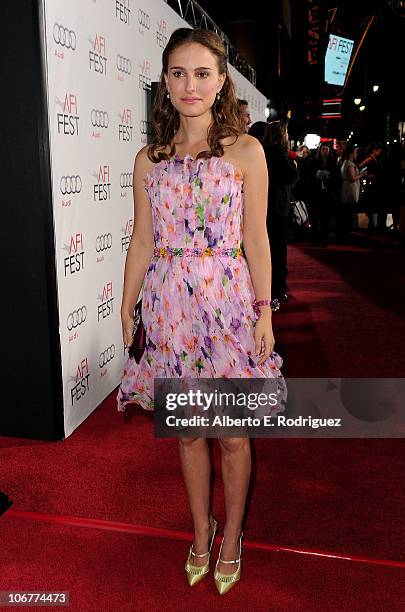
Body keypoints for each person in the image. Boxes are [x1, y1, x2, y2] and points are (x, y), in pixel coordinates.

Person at [116, 28, 285, 595]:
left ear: (220, 82)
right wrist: (126, 301)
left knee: (232, 433)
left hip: (228, 305)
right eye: (179, 74)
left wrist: (263, 311)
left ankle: (232, 534)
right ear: (165, 83)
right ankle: (200, 529)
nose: (191, 84)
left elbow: (256, 238)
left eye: (202, 73)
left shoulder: (246, 151)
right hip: (169, 309)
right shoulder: (149, 158)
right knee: (189, 432)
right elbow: (142, 239)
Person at [249, 120, 298, 302]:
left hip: (266, 205)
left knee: (268, 249)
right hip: (277, 207)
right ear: (281, 134)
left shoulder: (264, 151)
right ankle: (277, 291)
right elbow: (292, 175)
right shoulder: (277, 152)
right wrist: (293, 165)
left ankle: (270, 290)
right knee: (277, 250)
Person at [308, 143, 336, 246]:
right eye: (323, 149)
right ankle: (314, 240)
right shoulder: (314, 161)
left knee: (325, 219)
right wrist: (317, 174)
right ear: (319, 150)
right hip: (316, 193)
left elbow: (335, 176)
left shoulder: (332, 162)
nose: (325, 151)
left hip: (327, 193)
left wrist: (328, 176)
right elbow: (310, 174)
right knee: (315, 218)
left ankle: (324, 240)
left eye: (326, 149)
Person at [339, 144, 366, 241]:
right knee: (348, 212)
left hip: (348, 189)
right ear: (351, 153)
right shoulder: (349, 163)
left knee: (347, 212)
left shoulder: (347, 162)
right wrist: (362, 174)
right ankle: (346, 234)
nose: (357, 154)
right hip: (349, 190)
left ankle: (346, 233)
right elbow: (352, 178)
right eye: (355, 152)